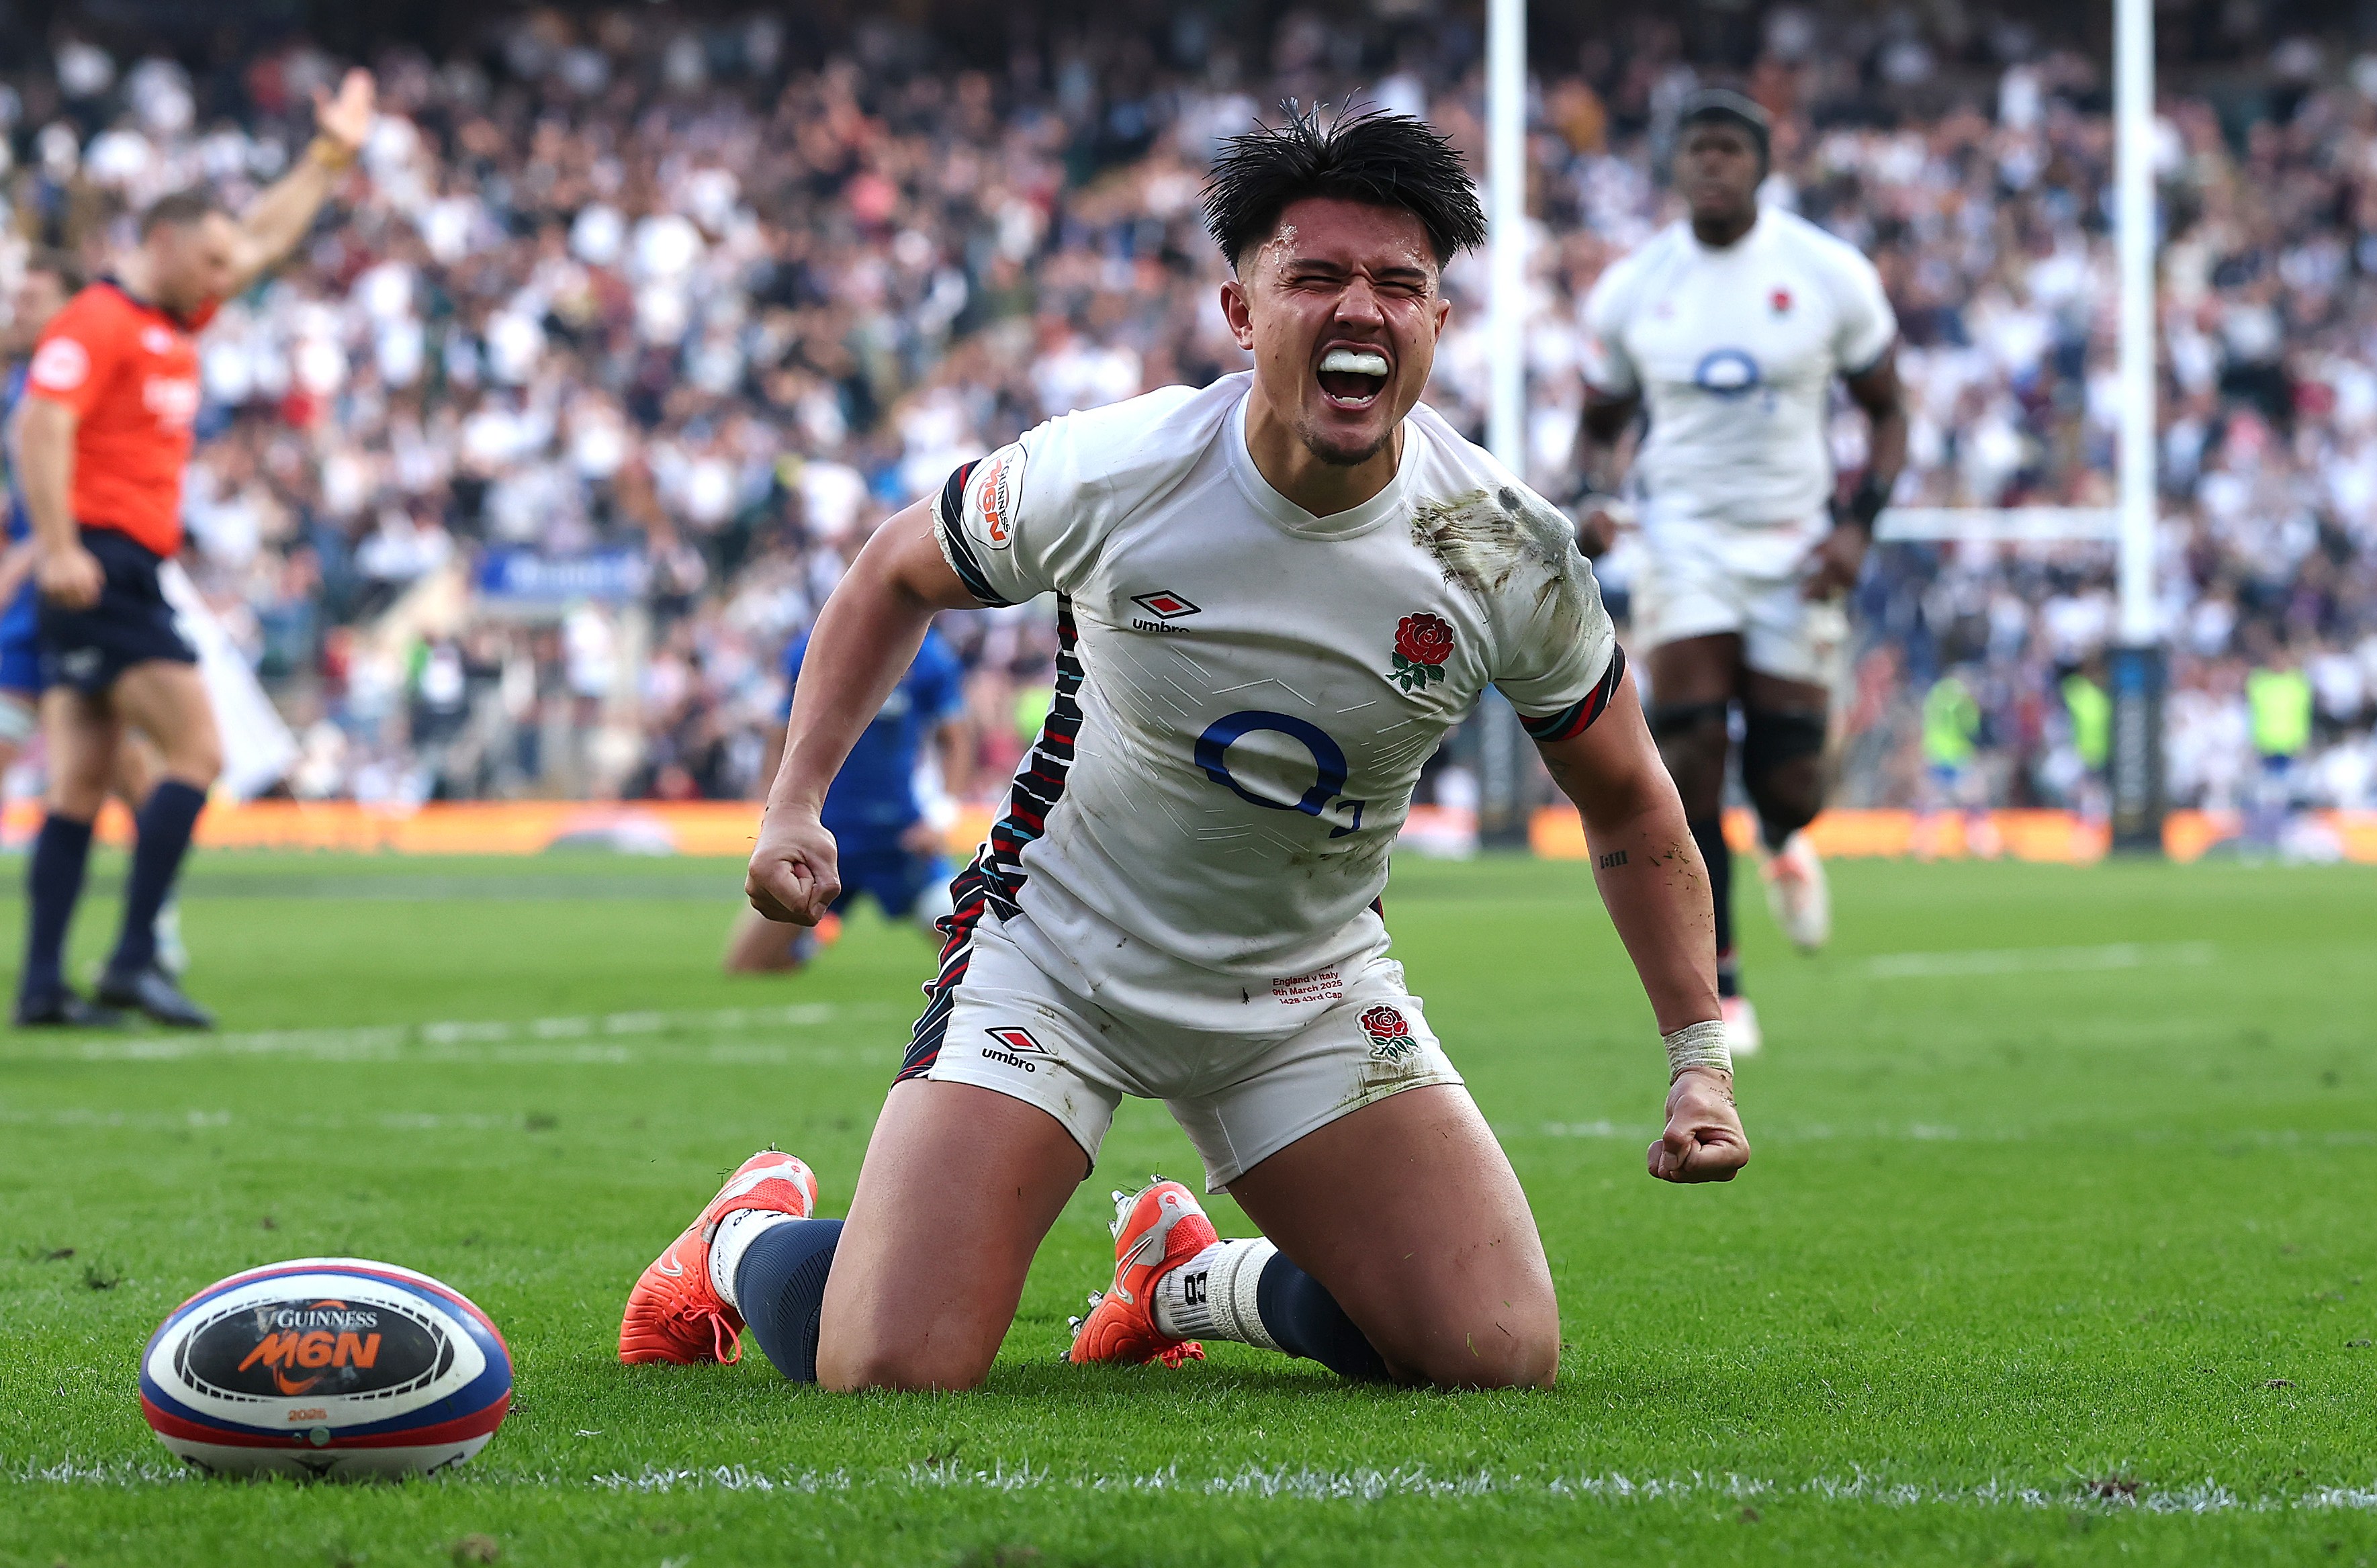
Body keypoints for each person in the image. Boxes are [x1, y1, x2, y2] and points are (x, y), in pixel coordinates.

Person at [619, 108, 1749, 1393]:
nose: (1359, 310)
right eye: (1313, 276)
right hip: (1055, 963)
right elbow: (894, 571)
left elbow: (1630, 803)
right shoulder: (1114, 471)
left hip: (1305, 987)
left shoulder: (1501, 549)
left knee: (1491, 1352)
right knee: (888, 1368)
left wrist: (1696, 1063)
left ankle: (1179, 1284)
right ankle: (737, 1241)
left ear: (1439, 322)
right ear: (1239, 310)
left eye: (1397, 284)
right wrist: (793, 802)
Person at [11, 68, 377, 1028]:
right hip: (104, 563)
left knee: (80, 779)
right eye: (209, 261)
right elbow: (40, 423)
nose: (226, 277)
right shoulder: (100, 319)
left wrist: (328, 157)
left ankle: (42, 986)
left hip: (110, 563)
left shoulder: (172, 314)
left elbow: (262, 240)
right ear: (162, 243)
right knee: (197, 750)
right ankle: (134, 956)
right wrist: (58, 545)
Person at [1573, 88, 1908, 1056]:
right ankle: (1722, 984)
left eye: (1729, 148)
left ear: (1761, 164)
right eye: (1697, 149)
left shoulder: (1826, 274)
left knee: (1788, 780)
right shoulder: (1634, 287)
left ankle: (1786, 834)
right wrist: (1589, 495)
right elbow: (1597, 423)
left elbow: (1888, 410)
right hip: (1681, 542)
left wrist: (1855, 529)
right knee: (1686, 761)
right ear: (1674, 165)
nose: (1712, 164)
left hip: (1793, 543)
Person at [0, 252, 190, 986]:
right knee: (84, 766)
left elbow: (76, 487)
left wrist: (35, 555)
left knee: (116, 763)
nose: (19, 309)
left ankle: (149, 927)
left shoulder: (78, 371)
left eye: (33, 298)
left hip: (67, 580)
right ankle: (81, 962)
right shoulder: (26, 379)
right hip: (39, 593)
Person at [723, 624, 969, 973]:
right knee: (750, 965)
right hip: (825, 834)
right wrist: (775, 813)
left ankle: (823, 932)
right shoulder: (812, 645)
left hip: (900, 837)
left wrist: (941, 817)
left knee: (973, 953)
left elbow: (956, 739)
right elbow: (783, 731)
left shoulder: (929, 655)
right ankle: (819, 936)